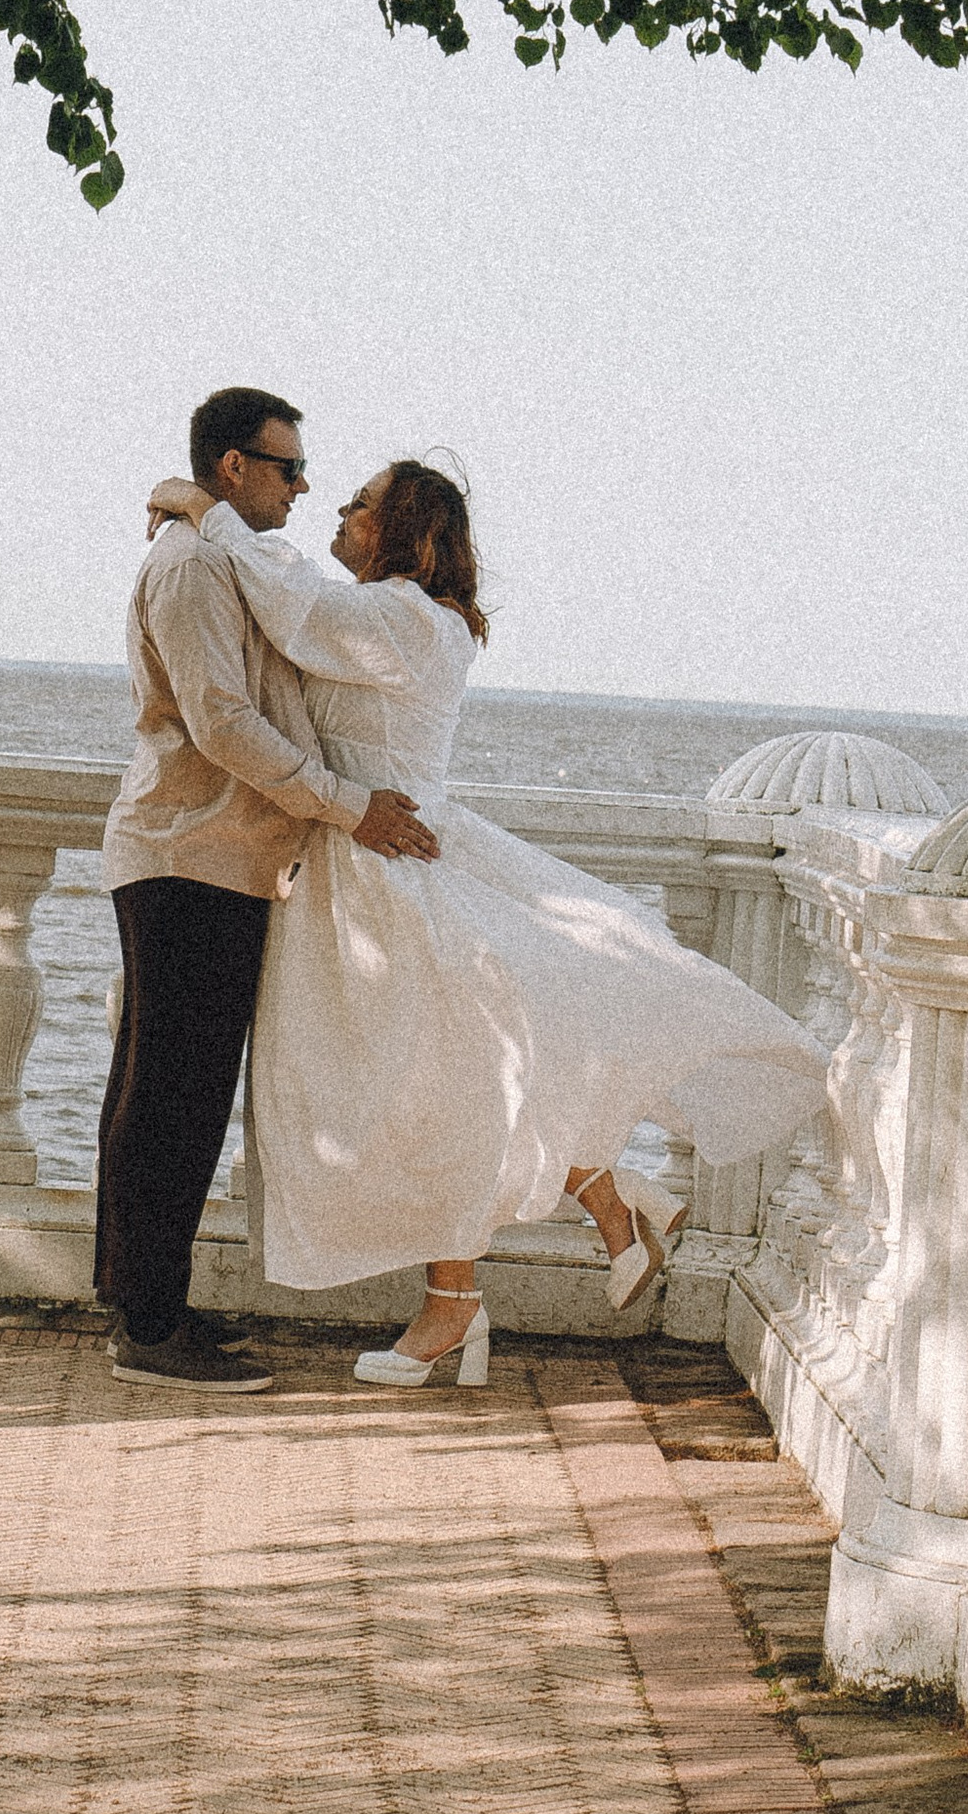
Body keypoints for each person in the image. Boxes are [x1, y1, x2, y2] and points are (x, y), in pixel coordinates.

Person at [141, 454, 828, 1385]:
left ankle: (469, 1294)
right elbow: (294, 602)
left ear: (405, 533)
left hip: (388, 871)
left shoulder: (399, 618)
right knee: (429, 1085)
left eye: (361, 503)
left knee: (422, 1089)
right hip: (370, 861)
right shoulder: (410, 619)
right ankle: (591, 1192)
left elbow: (293, 602)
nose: (337, 510)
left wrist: (204, 509)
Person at [95, 386, 443, 1391]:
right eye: (287, 468)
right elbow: (221, 723)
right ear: (233, 467)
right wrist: (349, 806)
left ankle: (145, 1307)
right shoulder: (196, 562)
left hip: (217, 855)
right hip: (188, 852)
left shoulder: (217, 550)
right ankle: (149, 1328)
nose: (303, 486)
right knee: (170, 1099)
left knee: (169, 1094)